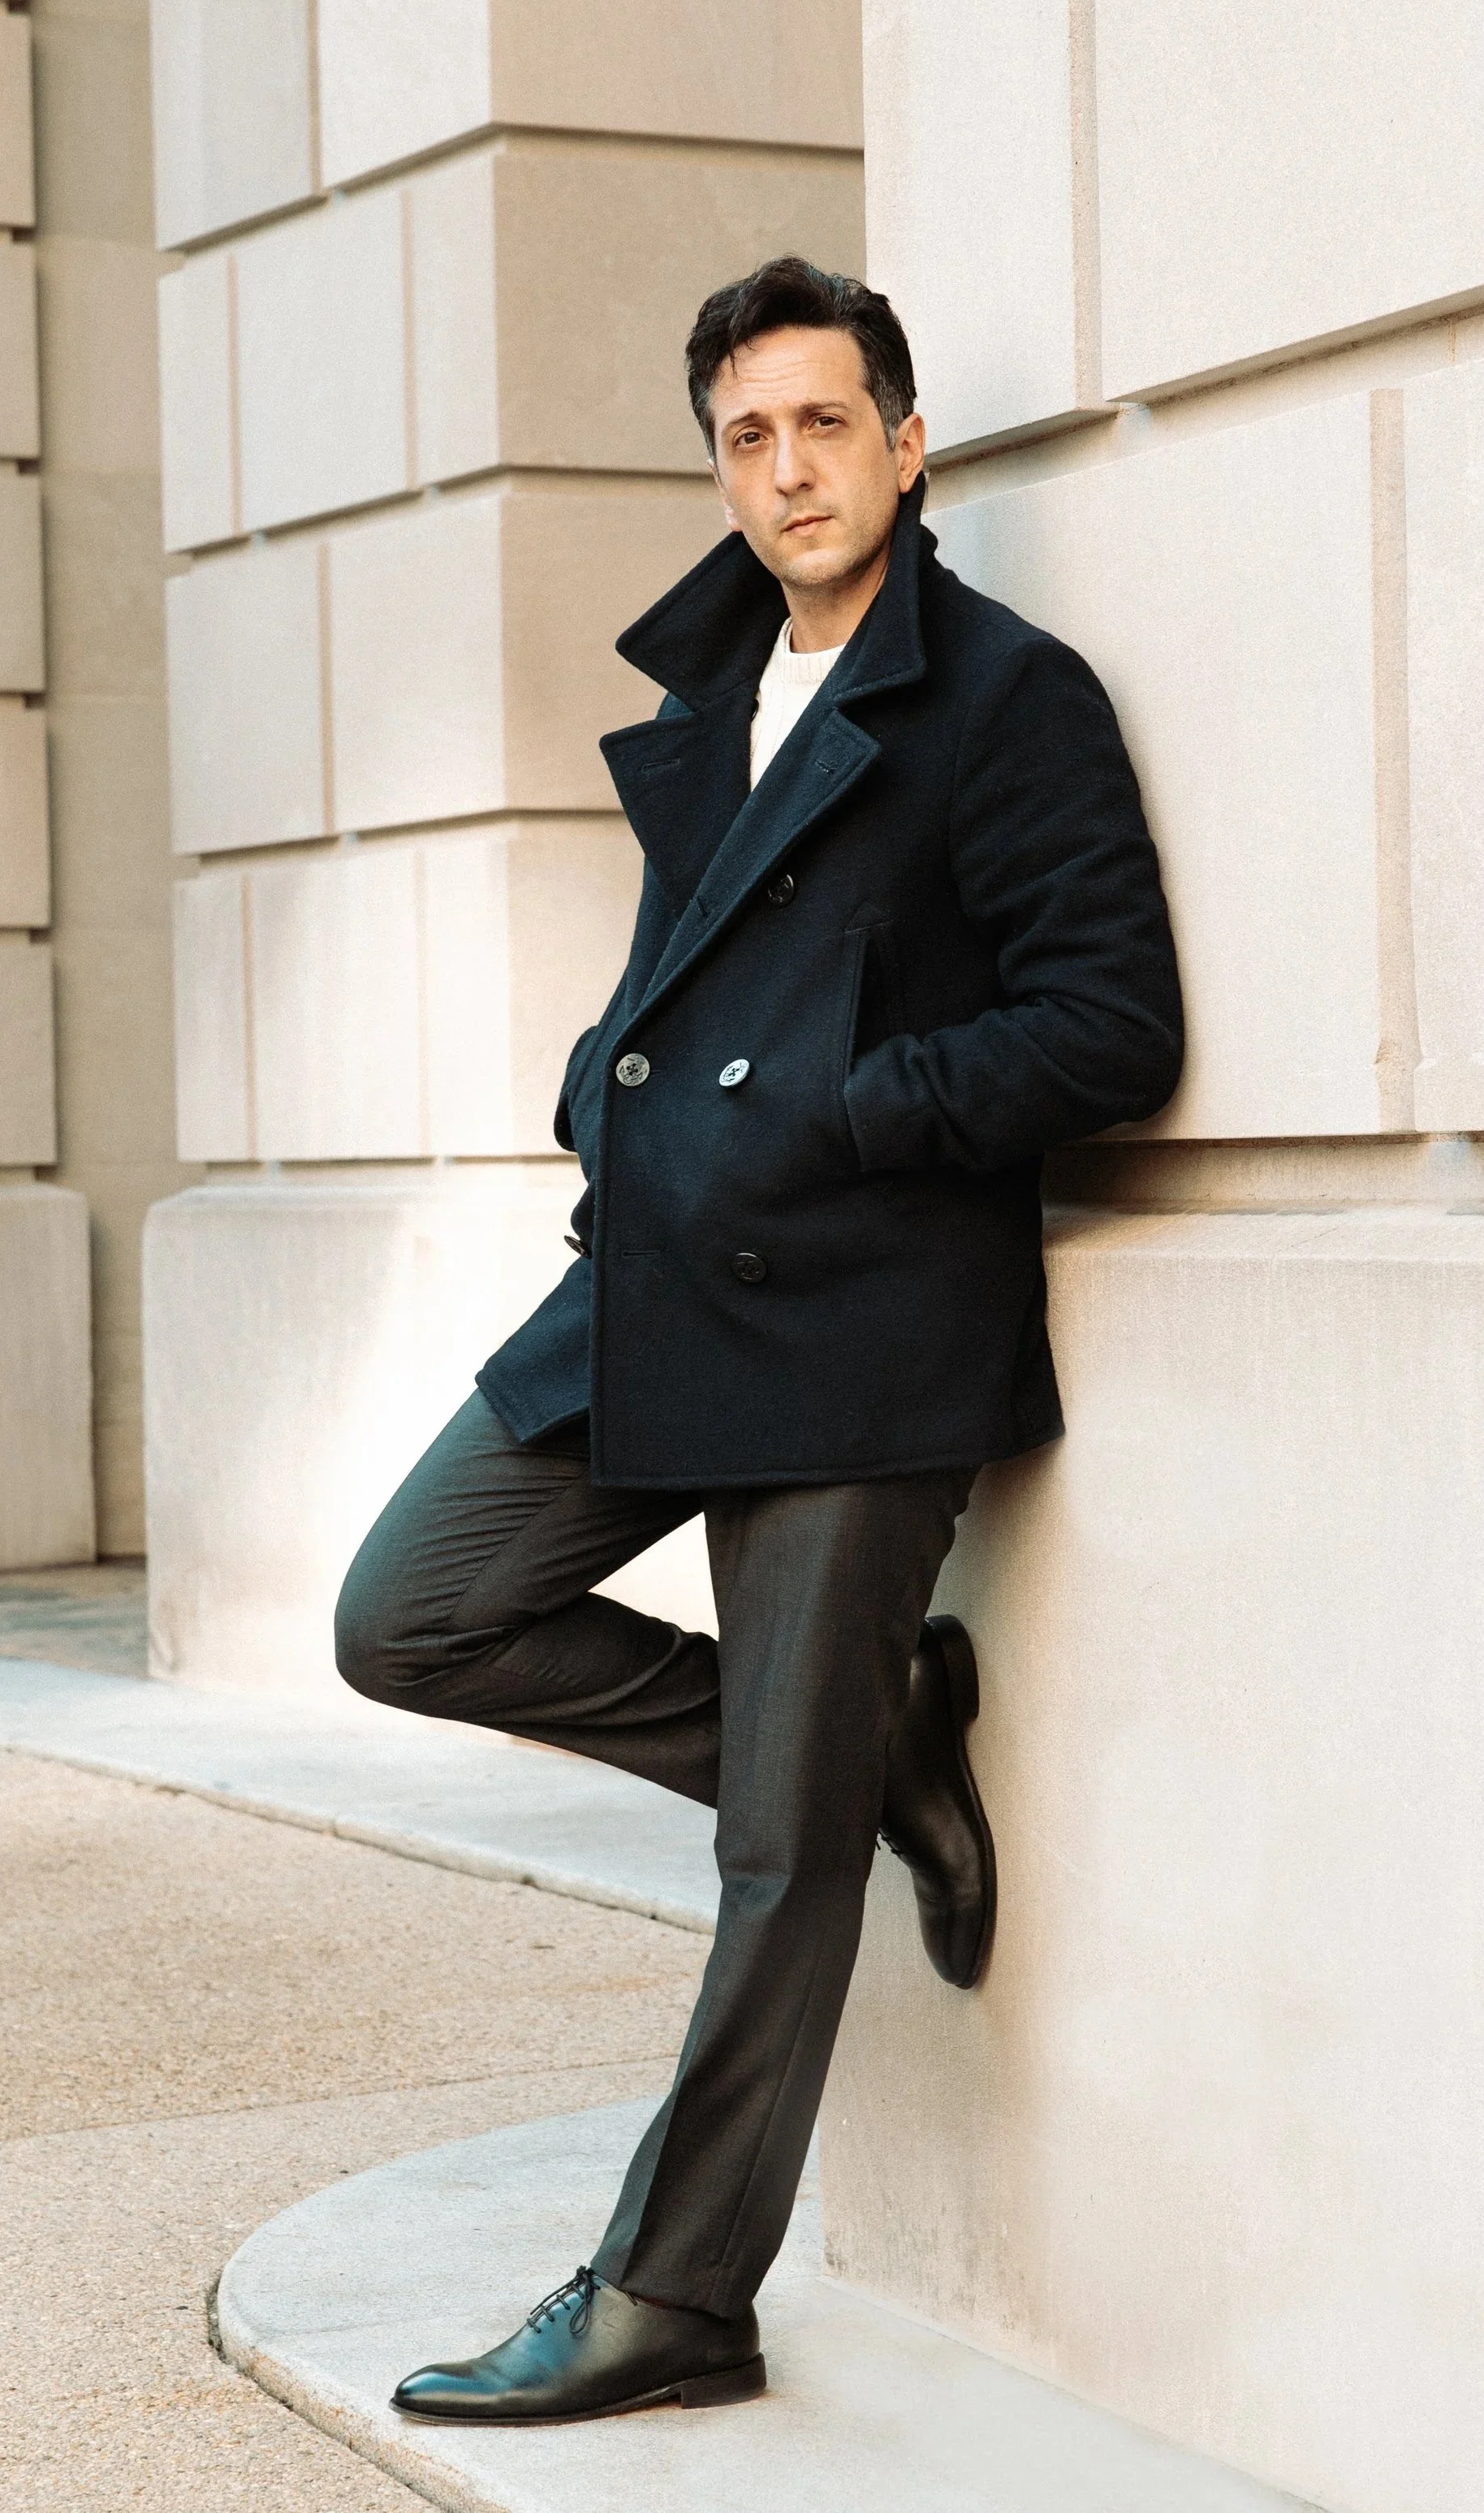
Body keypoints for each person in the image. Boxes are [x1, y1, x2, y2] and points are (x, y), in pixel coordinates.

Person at [334, 257, 1182, 2424]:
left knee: (772, 1863)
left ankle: (674, 2295)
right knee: (409, 1609)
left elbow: (1111, 1023)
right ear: (721, 467)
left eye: (824, 423)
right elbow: (697, 982)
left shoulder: (1006, 700)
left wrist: (850, 1109)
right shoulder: (720, 693)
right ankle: (874, 1744)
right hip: (657, 1287)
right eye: (748, 435)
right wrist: (604, 1062)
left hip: (868, 1327)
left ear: (906, 444)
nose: (787, 467)